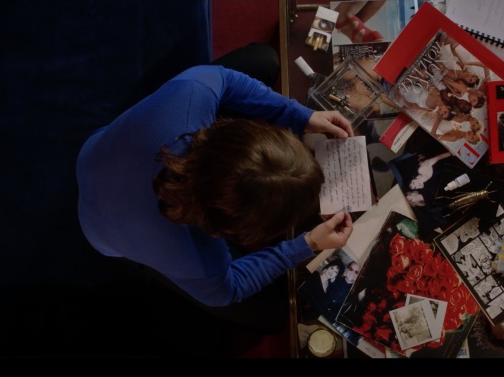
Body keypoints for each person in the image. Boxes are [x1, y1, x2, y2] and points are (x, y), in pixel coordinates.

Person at [76, 43, 355, 335]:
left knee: (263, 58)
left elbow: (224, 77)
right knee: (272, 313)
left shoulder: (192, 92)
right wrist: (306, 244)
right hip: (99, 228)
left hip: (95, 154)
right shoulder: (195, 254)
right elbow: (230, 289)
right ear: (235, 230)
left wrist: (300, 116)